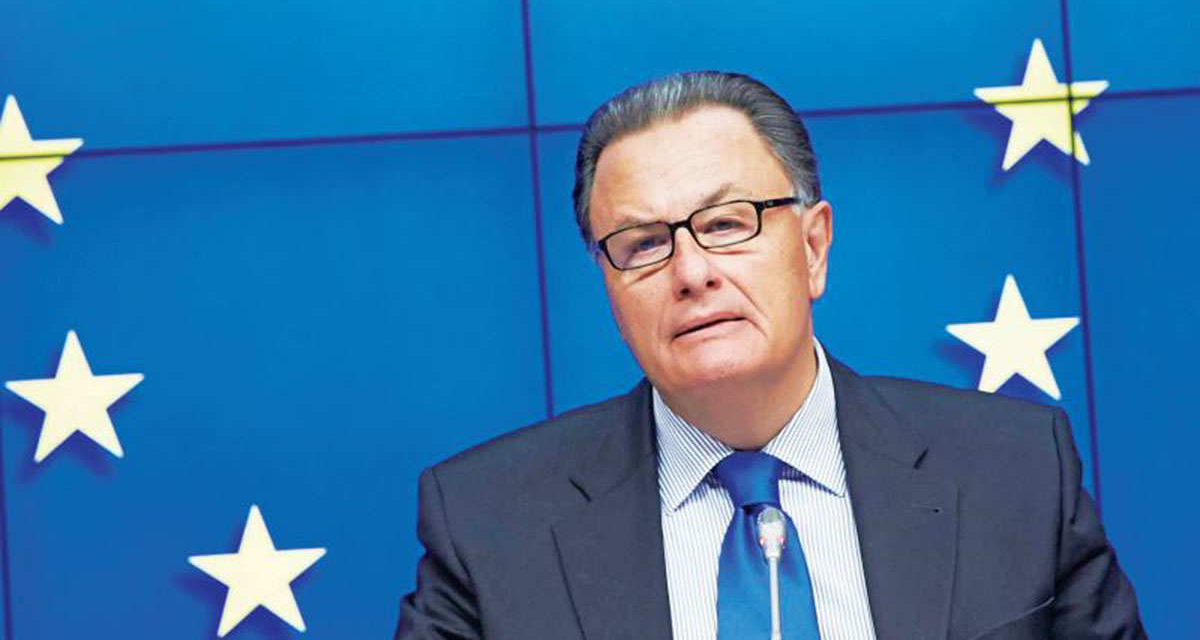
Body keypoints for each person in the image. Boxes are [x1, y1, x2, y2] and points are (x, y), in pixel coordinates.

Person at [394, 71, 1145, 639]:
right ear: (609, 287)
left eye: (728, 223)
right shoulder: (489, 525)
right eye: (644, 244)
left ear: (813, 247)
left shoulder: (1014, 474)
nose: (692, 272)